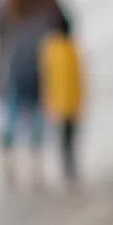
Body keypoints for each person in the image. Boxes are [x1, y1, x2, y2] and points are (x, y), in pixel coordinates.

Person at [0, 0, 67, 188]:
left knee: (11, 117)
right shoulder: (48, 0)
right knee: (37, 118)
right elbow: (66, 30)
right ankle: (36, 168)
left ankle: (8, 159)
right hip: (41, 68)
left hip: (14, 67)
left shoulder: (7, 1)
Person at [40, 14, 84, 186]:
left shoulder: (51, 50)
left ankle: (68, 168)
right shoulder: (70, 49)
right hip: (69, 102)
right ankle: (69, 168)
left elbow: (47, 78)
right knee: (68, 138)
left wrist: (48, 101)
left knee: (64, 138)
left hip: (61, 103)